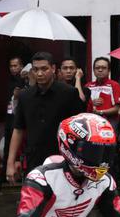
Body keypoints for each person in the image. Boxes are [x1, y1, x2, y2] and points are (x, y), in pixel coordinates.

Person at [7, 52, 87, 181]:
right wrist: (10, 163)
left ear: (53, 69)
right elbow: (18, 129)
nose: (39, 73)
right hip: (34, 158)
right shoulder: (25, 96)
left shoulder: (68, 93)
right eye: (36, 69)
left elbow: (79, 128)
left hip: (63, 158)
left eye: (44, 69)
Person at [0, 56, 27, 180]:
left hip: (22, 117)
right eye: (11, 66)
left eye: (15, 65)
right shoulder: (10, 80)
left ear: (21, 66)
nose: (13, 68)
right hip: (10, 115)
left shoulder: (26, 79)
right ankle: (3, 174)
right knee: (7, 145)